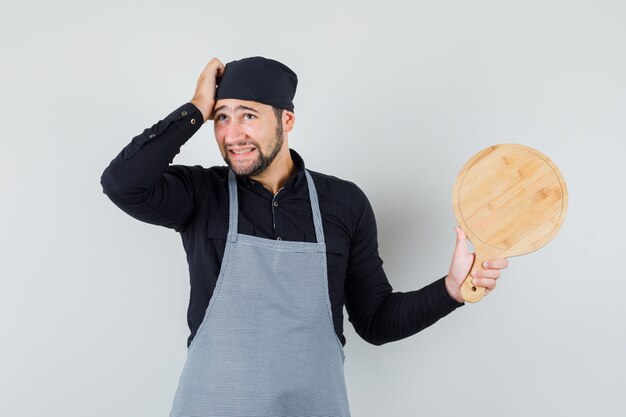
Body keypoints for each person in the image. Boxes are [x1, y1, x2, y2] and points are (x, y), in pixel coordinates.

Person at [100, 56, 508, 417]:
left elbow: (376, 321)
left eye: (248, 115)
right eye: (221, 117)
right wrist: (195, 108)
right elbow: (121, 182)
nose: (232, 133)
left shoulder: (343, 204)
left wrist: (452, 290)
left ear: (287, 120)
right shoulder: (199, 194)